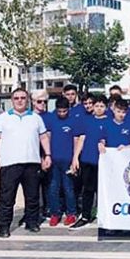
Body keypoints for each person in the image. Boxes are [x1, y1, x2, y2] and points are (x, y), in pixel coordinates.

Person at [0, 88, 51, 238]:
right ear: (12, 100)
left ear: (28, 100)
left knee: (32, 196)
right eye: (16, 98)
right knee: (7, 197)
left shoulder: (36, 118)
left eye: (23, 98)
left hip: (32, 163)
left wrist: (47, 155)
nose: (20, 100)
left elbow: (43, 138)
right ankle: (4, 226)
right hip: (10, 164)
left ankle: (32, 222)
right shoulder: (2, 118)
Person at [70, 95, 109, 230]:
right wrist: (75, 158)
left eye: (101, 106)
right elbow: (81, 139)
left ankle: (103, 214)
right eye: (96, 106)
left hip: (103, 163)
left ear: (106, 107)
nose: (98, 108)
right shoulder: (87, 121)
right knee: (88, 189)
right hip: (87, 160)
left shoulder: (109, 121)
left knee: (102, 190)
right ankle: (85, 216)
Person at [45, 97, 78, 227]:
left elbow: (76, 140)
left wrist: (75, 159)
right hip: (54, 160)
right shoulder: (51, 119)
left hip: (68, 161)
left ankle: (71, 213)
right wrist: (46, 156)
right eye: (60, 111)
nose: (62, 114)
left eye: (64, 111)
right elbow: (47, 137)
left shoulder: (73, 120)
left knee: (68, 188)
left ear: (68, 109)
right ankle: (55, 213)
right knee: (53, 188)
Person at [31, 90, 52, 219]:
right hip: (31, 156)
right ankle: (32, 212)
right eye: (39, 101)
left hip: (44, 154)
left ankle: (47, 209)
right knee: (32, 187)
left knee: (46, 184)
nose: (42, 104)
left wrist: (45, 156)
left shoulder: (49, 117)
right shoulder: (29, 116)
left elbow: (47, 138)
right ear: (33, 102)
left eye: (45, 101)